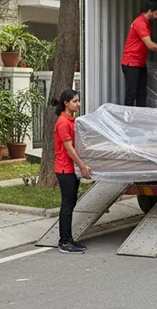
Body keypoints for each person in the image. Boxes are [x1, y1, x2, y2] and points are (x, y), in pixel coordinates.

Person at [52, 89, 92, 254]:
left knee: (71, 203)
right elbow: (69, 150)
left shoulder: (71, 120)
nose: (78, 104)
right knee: (67, 204)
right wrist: (82, 166)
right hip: (64, 169)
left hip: (70, 169)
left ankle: (69, 239)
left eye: (78, 100)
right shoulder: (62, 122)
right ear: (66, 103)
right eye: (75, 101)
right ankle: (64, 242)